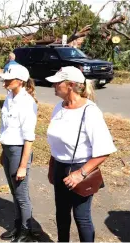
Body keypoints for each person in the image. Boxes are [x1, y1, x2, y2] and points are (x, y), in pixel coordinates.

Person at [46, 66, 117, 242]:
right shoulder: (58, 107)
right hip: (59, 167)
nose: (53, 85)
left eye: (57, 82)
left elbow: (104, 150)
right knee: (61, 213)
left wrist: (80, 173)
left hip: (80, 169)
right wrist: (52, 166)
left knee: (81, 217)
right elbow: (56, 142)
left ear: (70, 85)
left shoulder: (89, 111)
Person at [0, 64, 38, 242]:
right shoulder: (9, 97)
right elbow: (6, 128)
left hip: (19, 151)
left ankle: (26, 229)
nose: (4, 81)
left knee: (21, 194)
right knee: (14, 192)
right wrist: (2, 151)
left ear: (20, 81)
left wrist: (23, 165)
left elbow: (29, 138)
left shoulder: (27, 102)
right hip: (8, 150)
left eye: (8, 79)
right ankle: (17, 224)